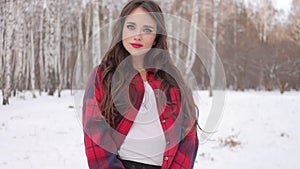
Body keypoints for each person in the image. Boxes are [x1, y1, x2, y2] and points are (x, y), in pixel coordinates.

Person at [82, 0, 199, 168]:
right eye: (131, 27)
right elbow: (95, 135)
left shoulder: (171, 79)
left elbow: (188, 132)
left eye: (147, 30)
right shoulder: (103, 75)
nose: (137, 36)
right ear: (121, 30)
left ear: (156, 37)